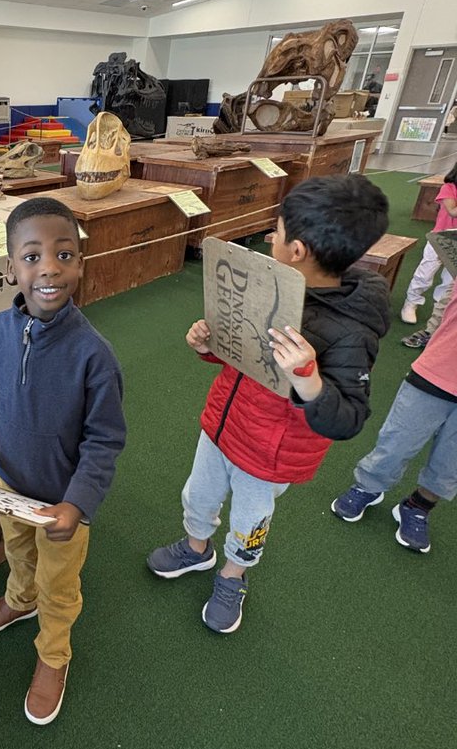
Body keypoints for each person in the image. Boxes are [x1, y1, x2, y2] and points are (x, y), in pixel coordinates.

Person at [146, 174, 391, 634]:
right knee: (197, 495)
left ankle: (233, 575)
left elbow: (349, 418)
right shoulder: (268, 285)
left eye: (275, 232)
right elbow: (241, 354)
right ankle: (196, 549)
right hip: (222, 424)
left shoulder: (351, 331)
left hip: (269, 456)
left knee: (250, 521)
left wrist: (310, 377)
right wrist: (208, 343)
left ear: (296, 250)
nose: (268, 238)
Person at [0, 197, 126, 725]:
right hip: (9, 488)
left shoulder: (94, 355)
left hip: (60, 509)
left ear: (80, 262)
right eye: (31, 257)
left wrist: (76, 504)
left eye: (64, 254)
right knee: (17, 553)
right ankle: (17, 598)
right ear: (11, 268)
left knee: (60, 584)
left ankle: (54, 654)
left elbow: (104, 441)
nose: (49, 267)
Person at [332, 282, 457, 552]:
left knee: (451, 464)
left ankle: (419, 505)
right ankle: (368, 486)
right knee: (398, 440)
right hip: (436, 373)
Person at [400, 160, 457, 324]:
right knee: (426, 272)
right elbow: (452, 211)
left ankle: (439, 310)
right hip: (440, 237)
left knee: (450, 279)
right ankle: (411, 302)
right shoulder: (449, 188)